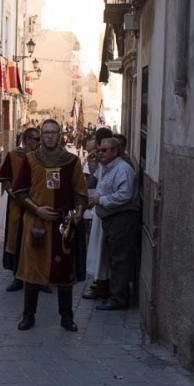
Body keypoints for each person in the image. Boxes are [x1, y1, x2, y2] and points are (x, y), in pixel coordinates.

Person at [13, 119, 86, 332]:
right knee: (32, 273)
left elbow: (80, 193)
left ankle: (66, 317)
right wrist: (37, 210)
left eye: (54, 132)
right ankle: (28, 316)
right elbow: (19, 192)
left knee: (64, 273)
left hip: (63, 226)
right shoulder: (30, 160)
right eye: (46, 133)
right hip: (37, 225)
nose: (50, 136)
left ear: (60, 135)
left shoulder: (71, 161)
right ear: (41, 136)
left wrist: (77, 215)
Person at [92, 137, 140, 311]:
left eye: (104, 150)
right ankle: (115, 294)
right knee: (114, 257)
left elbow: (124, 195)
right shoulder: (107, 168)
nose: (100, 153)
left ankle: (119, 298)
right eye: (100, 150)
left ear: (115, 151)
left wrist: (101, 200)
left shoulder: (123, 169)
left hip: (122, 219)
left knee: (120, 259)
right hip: (111, 219)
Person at [0, 127, 40, 291]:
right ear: (27, 140)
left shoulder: (41, 158)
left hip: (36, 205)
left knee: (36, 240)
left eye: (38, 139)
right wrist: (11, 192)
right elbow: (6, 178)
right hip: (17, 205)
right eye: (35, 139)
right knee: (17, 239)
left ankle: (37, 278)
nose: (38, 142)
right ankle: (17, 278)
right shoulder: (14, 156)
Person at [82, 127, 115, 301]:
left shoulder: (119, 166)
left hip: (107, 210)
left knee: (103, 249)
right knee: (97, 246)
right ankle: (98, 279)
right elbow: (96, 176)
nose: (100, 152)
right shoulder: (101, 161)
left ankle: (102, 282)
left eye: (103, 149)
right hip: (100, 210)